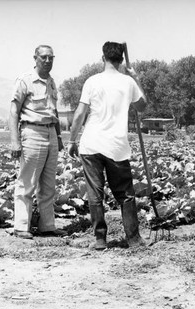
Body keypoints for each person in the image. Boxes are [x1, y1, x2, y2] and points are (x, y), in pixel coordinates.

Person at [68, 41, 148, 250]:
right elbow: (143, 106)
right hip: (116, 147)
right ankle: (134, 239)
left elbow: (79, 114)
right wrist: (136, 77)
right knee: (126, 195)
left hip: (91, 144)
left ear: (102, 58)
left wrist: (72, 140)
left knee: (95, 194)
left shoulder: (92, 81)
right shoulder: (128, 82)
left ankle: (100, 239)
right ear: (121, 60)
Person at [9, 45, 65, 240]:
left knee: (49, 184)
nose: (48, 61)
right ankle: (21, 226)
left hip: (50, 133)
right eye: (44, 57)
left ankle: (47, 226)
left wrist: (59, 137)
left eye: (51, 57)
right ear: (35, 58)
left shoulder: (51, 82)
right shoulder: (25, 80)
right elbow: (14, 111)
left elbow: (54, 112)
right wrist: (15, 141)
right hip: (31, 132)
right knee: (27, 182)